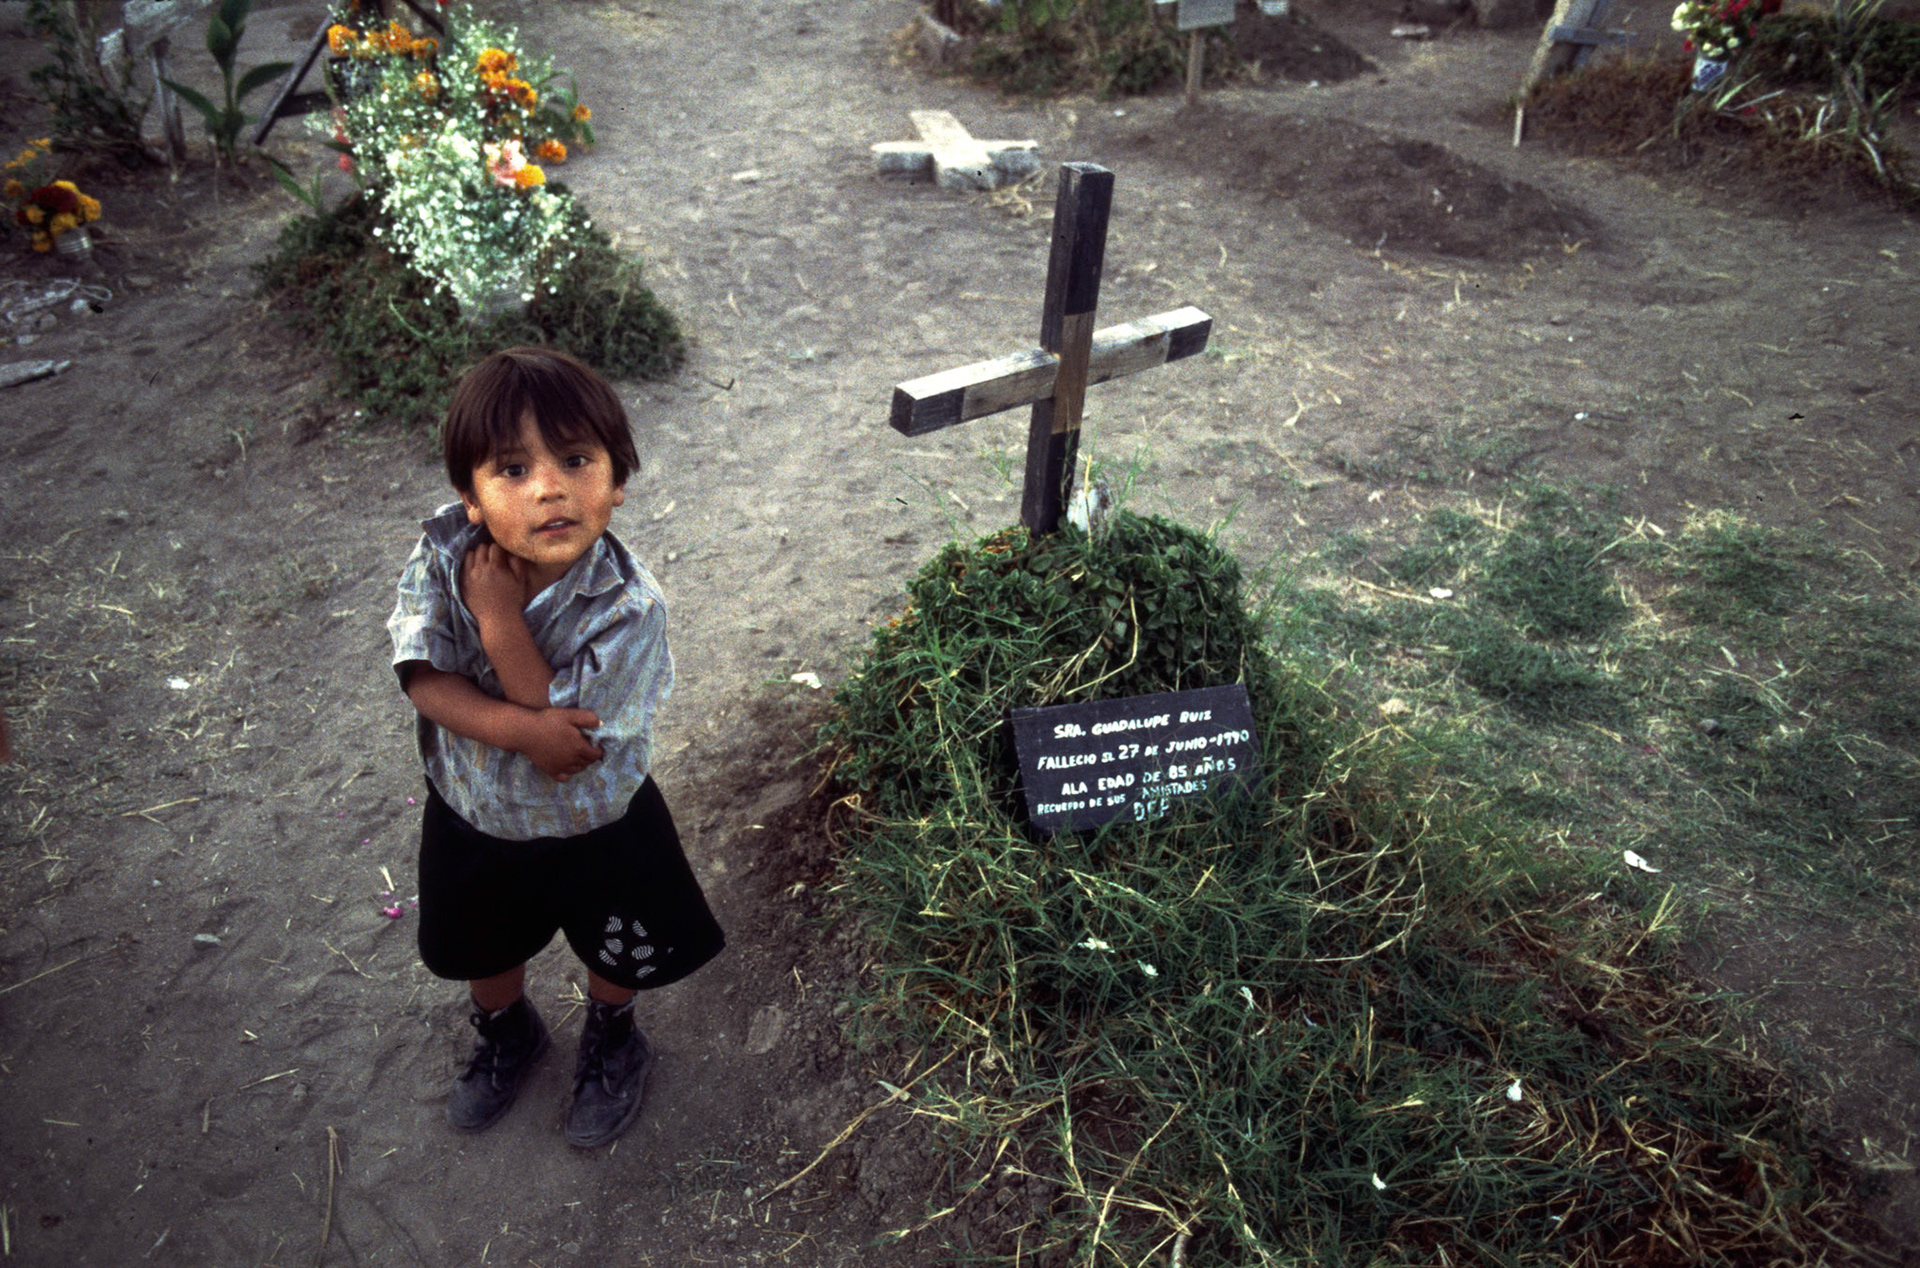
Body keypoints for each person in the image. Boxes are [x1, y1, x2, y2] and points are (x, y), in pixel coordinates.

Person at [387, 346, 722, 1147]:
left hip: (597, 819)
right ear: (469, 497)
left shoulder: (629, 607)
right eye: (510, 469)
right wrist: (519, 730)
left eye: (576, 459)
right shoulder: (441, 558)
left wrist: (498, 616)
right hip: (475, 811)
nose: (548, 487)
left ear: (617, 480)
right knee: (482, 943)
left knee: (619, 942)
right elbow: (422, 679)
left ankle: (613, 1033)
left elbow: (562, 738)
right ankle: (507, 1031)